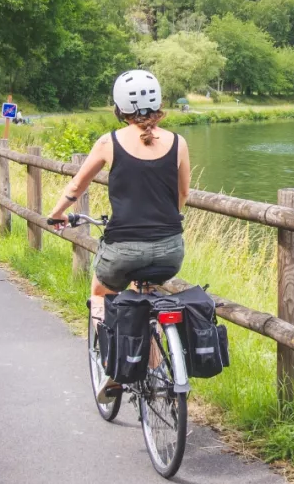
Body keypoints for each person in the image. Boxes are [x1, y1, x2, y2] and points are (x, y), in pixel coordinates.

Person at [45, 70, 190, 381]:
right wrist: (164, 219)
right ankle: (156, 373)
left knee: (100, 294)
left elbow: (76, 187)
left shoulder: (108, 142)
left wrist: (56, 213)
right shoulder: (178, 143)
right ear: (159, 102)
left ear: (119, 107)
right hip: (170, 250)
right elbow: (183, 194)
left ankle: (110, 366)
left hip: (123, 250)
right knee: (145, 295)